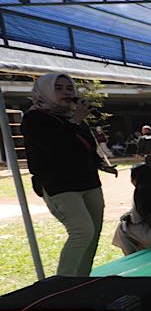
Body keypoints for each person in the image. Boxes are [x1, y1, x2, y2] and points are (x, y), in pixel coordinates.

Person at [21, 73, 117, 276]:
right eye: (59, 88)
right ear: (45, 91)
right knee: (82, 232)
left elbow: (85, 148)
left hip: (88, 181)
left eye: (69, 88)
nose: (66, 92)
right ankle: (63, 283)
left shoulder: (73, 118)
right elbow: (53, 146)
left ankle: (81, 279)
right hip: (60, 185)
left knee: (93, 234)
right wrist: (74, 121)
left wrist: (101, 164)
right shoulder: (34, 118)